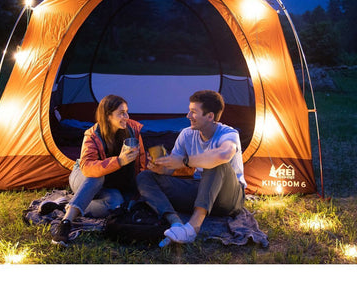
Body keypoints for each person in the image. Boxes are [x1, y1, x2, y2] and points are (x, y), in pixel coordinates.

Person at [136, 90, 246, 245]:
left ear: (210, 116)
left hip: (228, 198)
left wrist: (185, 161)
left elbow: (223, 155)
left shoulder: (228, 133)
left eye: (193, 112)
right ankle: (176, 224)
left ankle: (193, 228)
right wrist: (160, 167)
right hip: (201, 191)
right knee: (144, 177)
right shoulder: (186, 134)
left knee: (215, 163)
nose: (188, 116)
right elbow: (170, 169)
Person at [51, 94, 146, 246]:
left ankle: (65, 205)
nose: (126, 116)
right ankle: (65, 223)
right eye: (121, 113)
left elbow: (141, 162)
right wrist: (120, 161)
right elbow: (88, 168)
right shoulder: (92, 135)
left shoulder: (133, 130)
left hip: (108, 185)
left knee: (117, 204)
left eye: (127, 112)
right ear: (108, 116)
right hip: (83, 176)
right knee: (97, 176)